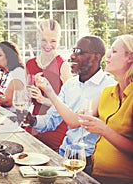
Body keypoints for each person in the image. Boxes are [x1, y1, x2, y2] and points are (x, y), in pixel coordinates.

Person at [27, 36, 116, 174]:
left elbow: (76, 122)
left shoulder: (109, 87)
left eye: (79, 51)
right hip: (64, 155)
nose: (72, 55)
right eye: (73, 50)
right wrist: (29, 119)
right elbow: (51, 120)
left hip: (89, 162)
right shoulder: (70, 85)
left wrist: (49, 91)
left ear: (96, 57)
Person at [78, 35, 133, 183]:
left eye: (114, 51)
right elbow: (82, 116)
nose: (107, 55)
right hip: (96, 173)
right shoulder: (108, 92)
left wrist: (103, 129)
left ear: (130, 57)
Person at [25, 19, 72, 151]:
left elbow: (71, 106)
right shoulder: (29, 64)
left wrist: (43, 100)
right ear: (37, 38)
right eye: (44, 40)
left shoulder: (63, 66)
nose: (48, 45)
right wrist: (27, 95)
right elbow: (24, 97)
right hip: (34, 125)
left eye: (53, 41)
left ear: (59, 40)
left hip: (56, 130)